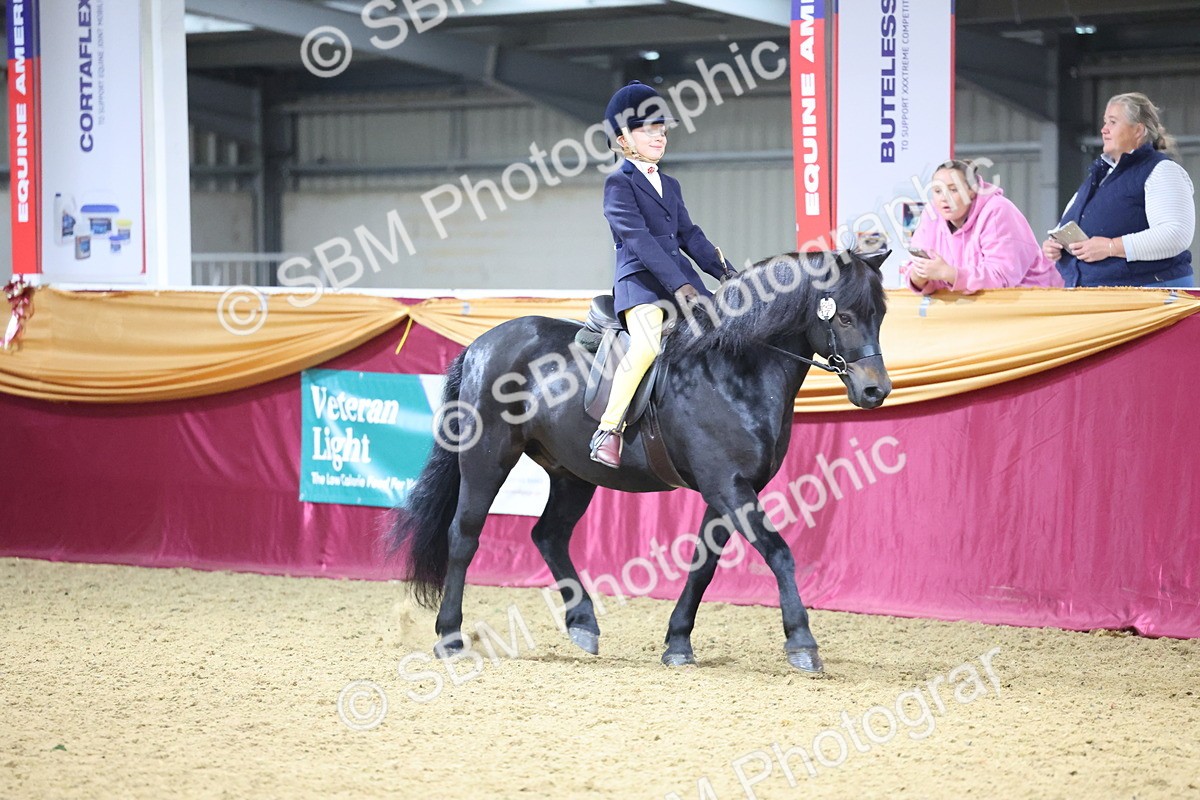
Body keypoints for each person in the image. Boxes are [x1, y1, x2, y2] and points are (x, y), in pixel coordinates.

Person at [588, 80, 735, 469]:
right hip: (640, 286)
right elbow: (639, 239)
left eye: (662, 130)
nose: (659, 137)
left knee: (725, 332)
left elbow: (689, 235)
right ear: (623, 139)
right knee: (646, 347)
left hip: (681, 285)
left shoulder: (670, 184)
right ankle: (608, 429)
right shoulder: (618, 184)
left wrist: (726, 272)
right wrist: (680, 283)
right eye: (648, 130)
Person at [1043, 92, 1195, 288]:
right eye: (1105, 122)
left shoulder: (1161, 170)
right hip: (1100, 295)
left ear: (1138, 130)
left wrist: (1110, 246)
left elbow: (1175, 234)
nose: (1103, 129)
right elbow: (1066, 224)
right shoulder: (1100, 176)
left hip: (1149, 293)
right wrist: (1055, 244)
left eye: (1113, 122)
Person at [900, 159, 1063, 293]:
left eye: (953, 190)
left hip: (1033, 299)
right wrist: (919, 276)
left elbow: (1001, 278)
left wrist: (948, 273)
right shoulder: (931, 214)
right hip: (971, 306)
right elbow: (915, 269)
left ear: (972, 191)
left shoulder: (998, 211)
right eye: (937, 191)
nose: (944, 198)